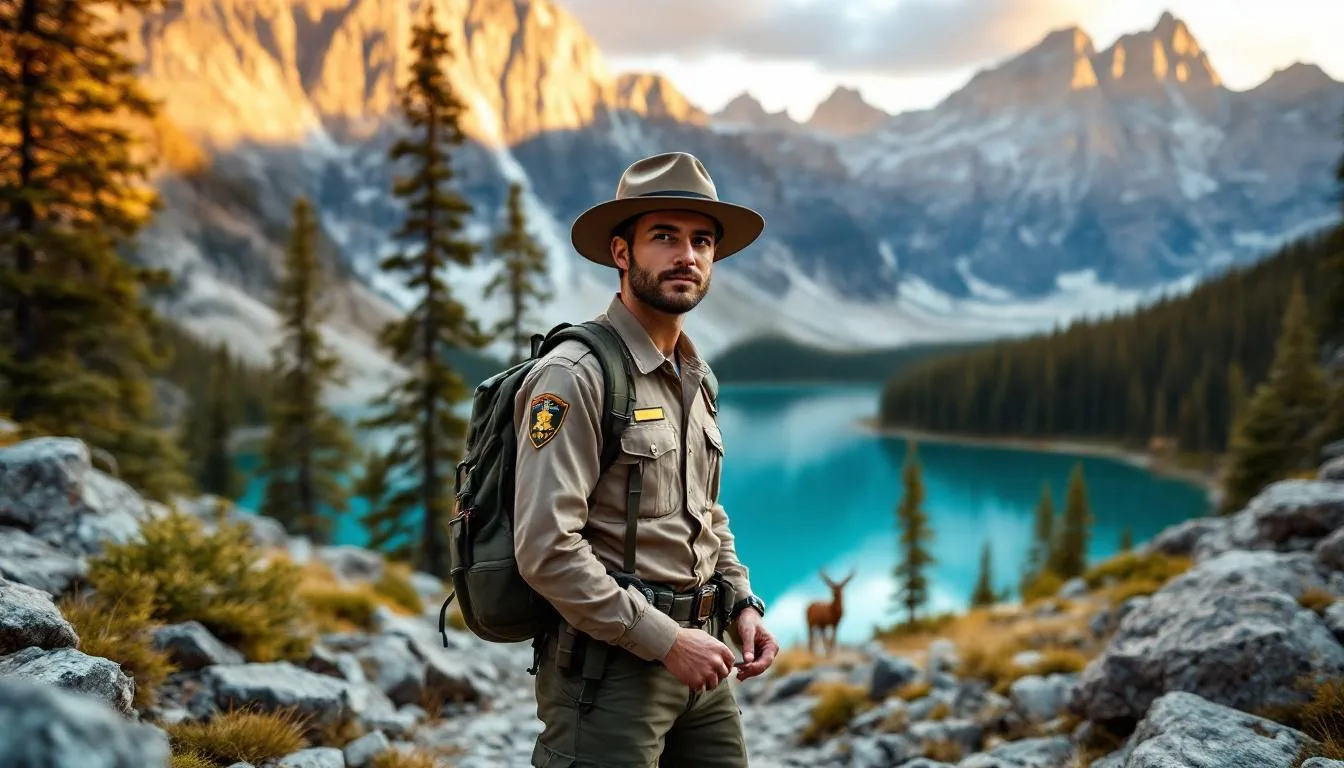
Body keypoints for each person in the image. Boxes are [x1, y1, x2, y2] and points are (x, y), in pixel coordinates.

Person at [512, 151, 779, 767]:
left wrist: (739, 601)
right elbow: (545, 548)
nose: (687, 255)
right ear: (621, 252)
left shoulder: (694, 375)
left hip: (701, 661)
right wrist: (663, 642)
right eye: (664, 236)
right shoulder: (574, 376)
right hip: (610, 674)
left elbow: (705, 510)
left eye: (702, 241)